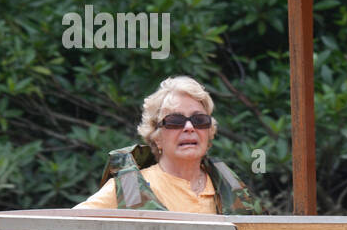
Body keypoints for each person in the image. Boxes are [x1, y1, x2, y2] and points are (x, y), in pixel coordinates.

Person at [76, 75, 258, 213]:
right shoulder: (129, 187)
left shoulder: (230, 187)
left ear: (209, 132)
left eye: (199, 119)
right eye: (175, 121)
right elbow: (65, 229)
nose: (189, 127)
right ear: (157, 137)